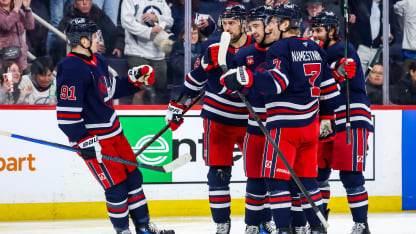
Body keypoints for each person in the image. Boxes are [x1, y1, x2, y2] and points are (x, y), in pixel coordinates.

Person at [220, 4, 342, 234]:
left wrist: (248, 77)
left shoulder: (280, 47)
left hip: (285, 127)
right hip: (310, 126)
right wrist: (328, 118)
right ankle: (317, 228)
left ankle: (284, 229)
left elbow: (277, 83)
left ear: (285, 24)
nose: (269, 26)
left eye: (273, 22)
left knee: (275, 180)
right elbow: (332, 92)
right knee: (307, 181)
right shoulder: (316, 49)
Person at [56, 17, 174, 234]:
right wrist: (83, 141)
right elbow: (66, 115)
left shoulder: (98, 60)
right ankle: (123, 231)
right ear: (82, 41)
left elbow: (108, 89)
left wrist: (133, 80)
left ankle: (144, 227)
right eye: (93, 37)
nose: (97, 39)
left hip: (116, 133)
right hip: (96, 140)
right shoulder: (70, 67)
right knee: (116, 189)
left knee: (133, 178)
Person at [166, 5, 253, 234]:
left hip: (249, 122)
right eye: (224, 23)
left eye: (232, 23)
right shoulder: (212, 47)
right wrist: (178, 105)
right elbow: (196, 79)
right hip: (218, 120)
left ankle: (257, 223)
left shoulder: (256, 48)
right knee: (218, 174)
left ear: (244, 24)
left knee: (258, 173)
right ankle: (222, 224)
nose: (227, 28)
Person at [311, 10, 374, 234]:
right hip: (328, 117)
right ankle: (319, 223)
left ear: (332, 30)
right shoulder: (322, 51)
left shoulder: (342, 49)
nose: (315, 35)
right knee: (319, 173)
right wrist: (333, 73)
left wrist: (335, 72)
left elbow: (333, 79)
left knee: (350, 174)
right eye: (313, 30)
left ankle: (361, 224)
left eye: (319, 30)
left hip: (351, 116)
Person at [229, 5, 279, 234]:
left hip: (281, 126)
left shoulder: (283, 51)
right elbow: (234, 91)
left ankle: (271, 220)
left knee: (277, 178)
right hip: (255, 126)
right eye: (250, 27)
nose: (253, 31)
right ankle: (251, 224)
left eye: (256, 26)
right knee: (256, 177)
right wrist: (232, 83)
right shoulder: (243, 55)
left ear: (270, 26)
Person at [121, 0, 174, 104]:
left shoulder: (161, 1)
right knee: (142, 89)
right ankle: (137, 118)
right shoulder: (129, 1)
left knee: (160, 90)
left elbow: (170, 21)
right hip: (137, 52)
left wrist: (157, 19)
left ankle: (160, 118)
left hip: (158, 54)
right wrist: (149, 31)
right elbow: (126, 22)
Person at [52, 0, 124, 65]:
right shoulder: (68, 20)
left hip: (98, 59)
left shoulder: (99, 15)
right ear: (75, 4)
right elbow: (60, 41)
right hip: (76, 60)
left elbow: (115, 33)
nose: (85, 3)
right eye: (80, 0)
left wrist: (118, 46)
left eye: (87, 0)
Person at [168, 23, 205, 99]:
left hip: (200, 90)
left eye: (195, 33)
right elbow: (179, 67)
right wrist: (198, 61)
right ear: (183, 36)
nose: (193, 36)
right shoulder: (177, 47)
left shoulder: (204, 48)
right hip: (180, 88)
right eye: (189, 33)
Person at [0, 0, 34, 72]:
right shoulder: (16, 10)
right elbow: (6, 25)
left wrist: (27, 8)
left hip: (20, 56)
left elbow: (30, 26)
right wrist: (16, 9)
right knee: (7, 80)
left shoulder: (19, 11)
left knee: (23, 81)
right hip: (4, 57)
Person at [394, 0, 416, 74]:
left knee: (408, 76)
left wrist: (403, 27)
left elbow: (396, 9)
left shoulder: (408, 2)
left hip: (411, 47)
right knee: (408, 75)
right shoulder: (408, 2)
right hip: (411, 50)